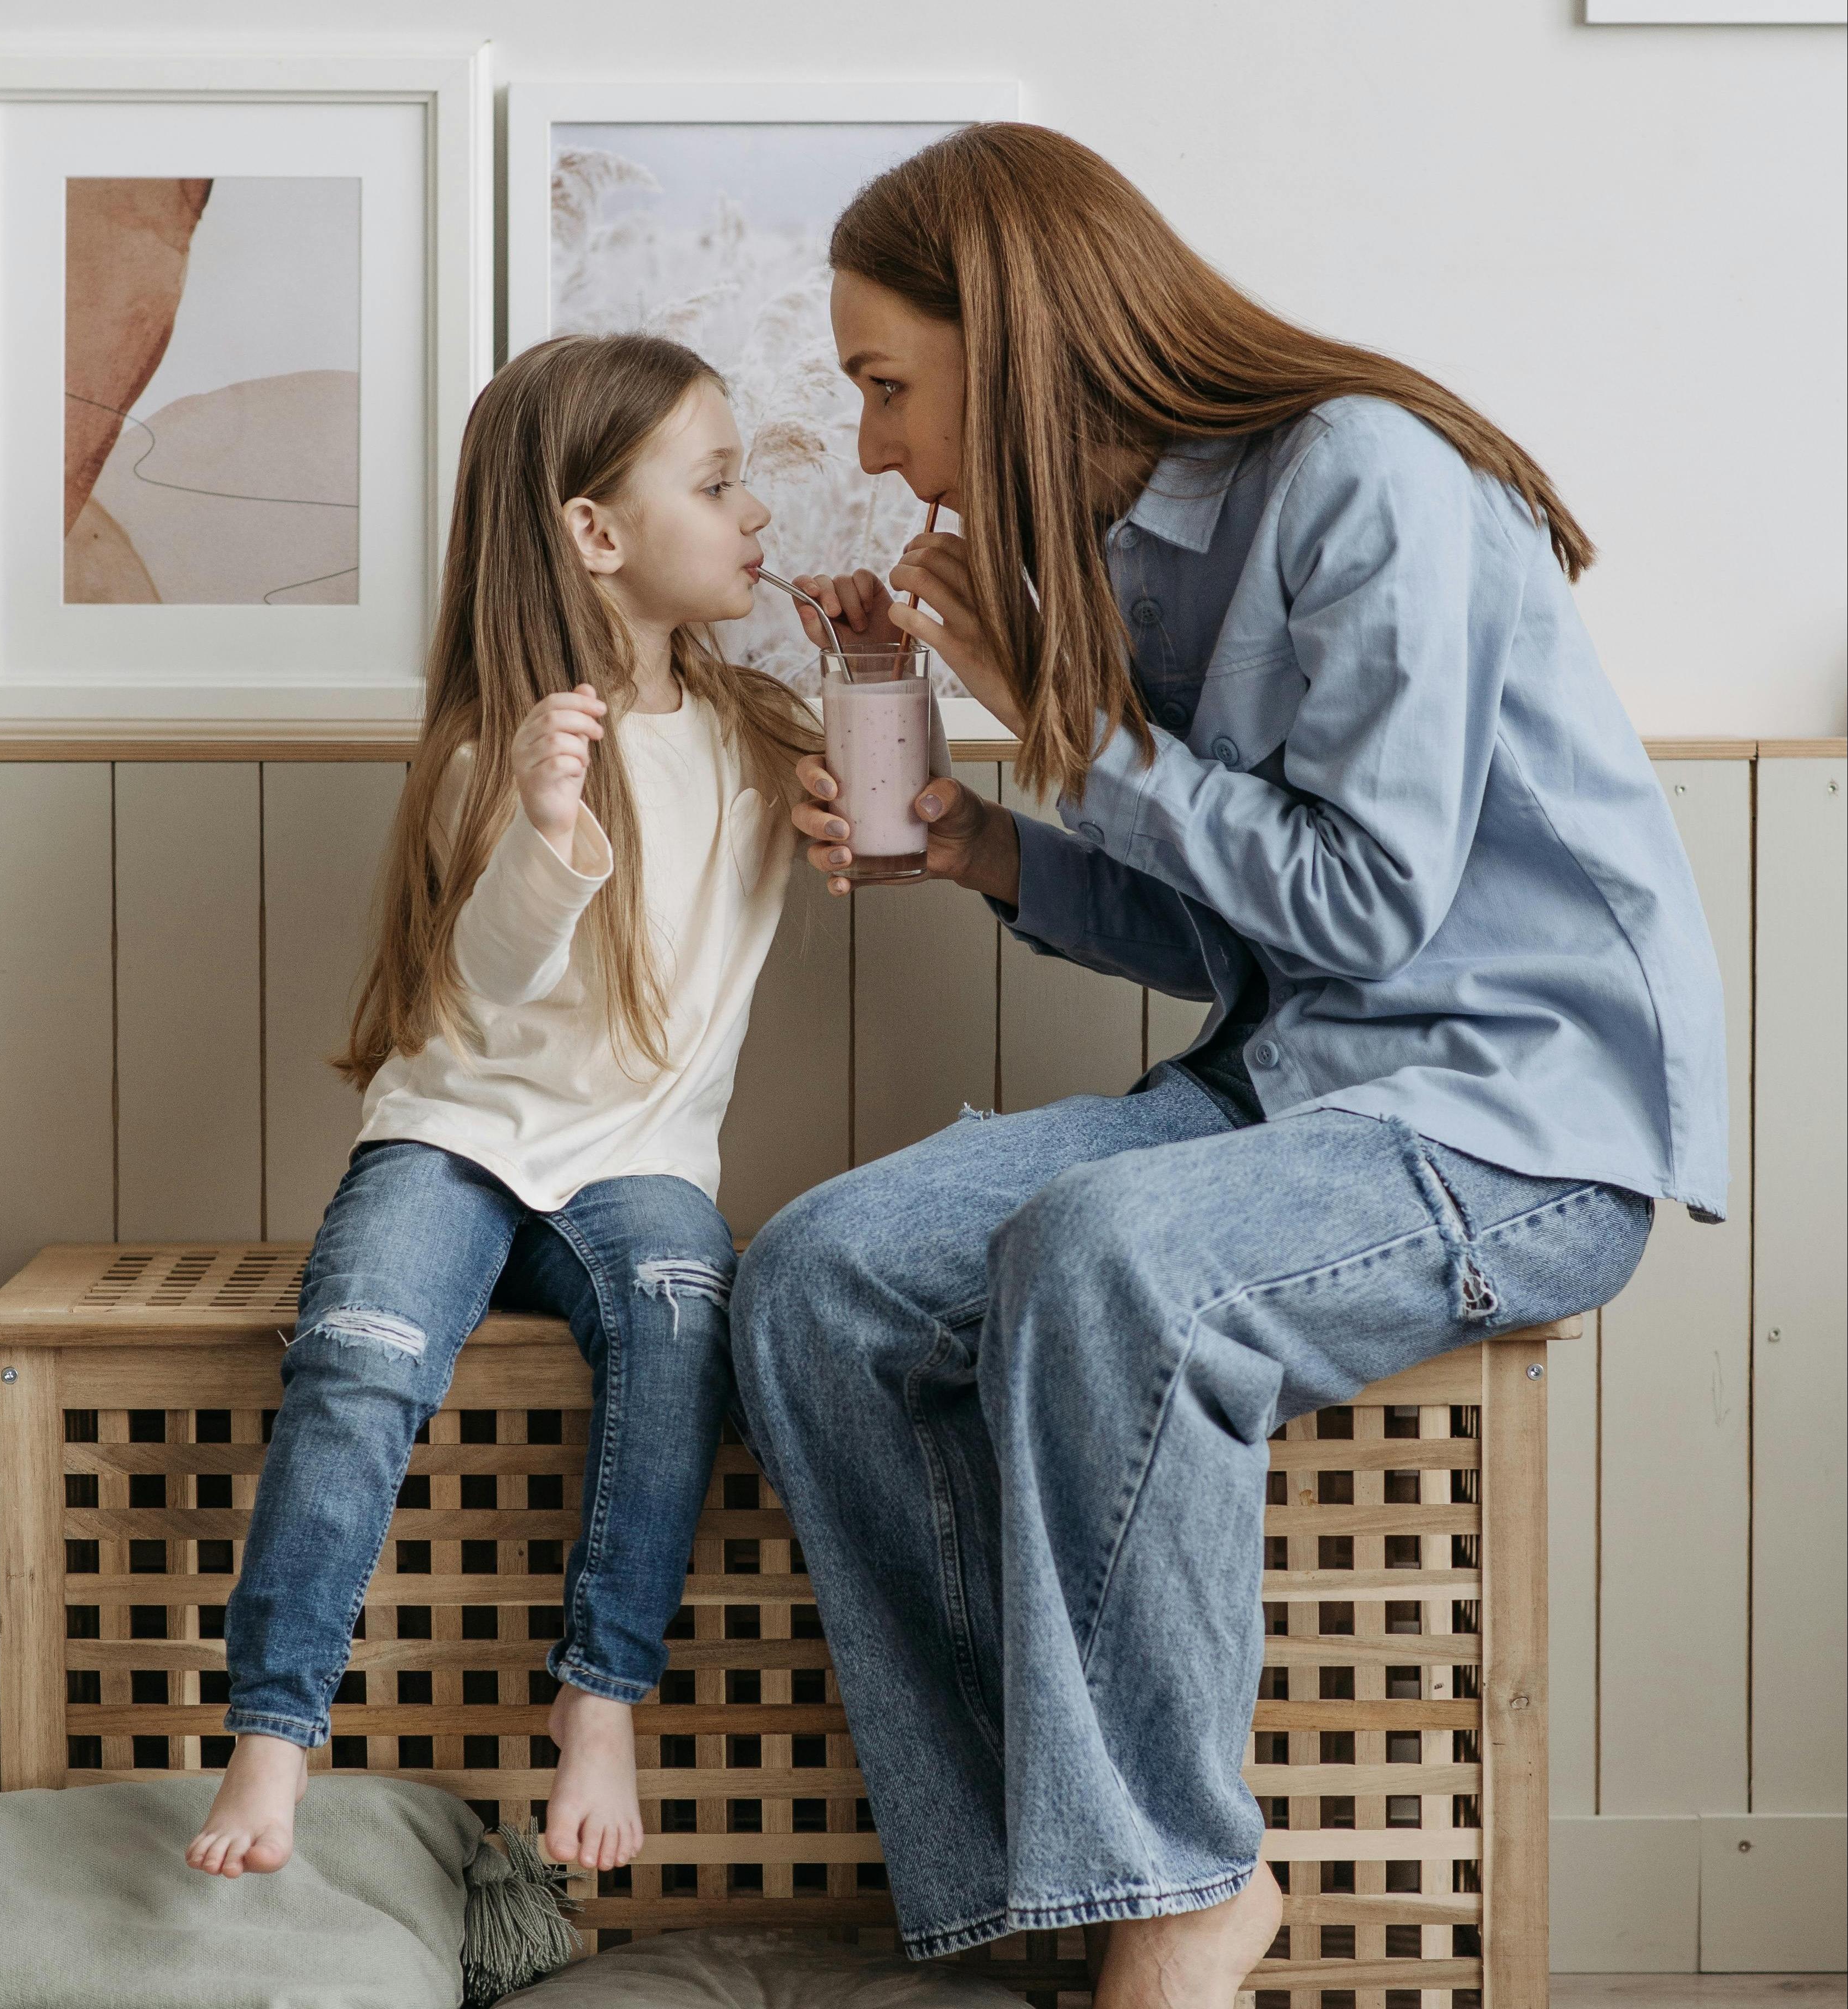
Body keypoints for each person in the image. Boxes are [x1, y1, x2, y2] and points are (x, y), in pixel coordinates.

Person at [735, 124, 1724, 2009]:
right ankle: (1036, 1907)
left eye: (885, 384)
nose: (870, 444)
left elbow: (1365, 903)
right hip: (1296, 1093)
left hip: (1514, 1123)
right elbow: (1240, 934)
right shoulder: (1127, 547)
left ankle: (1185, 1890)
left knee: (1110, 1251)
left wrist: (1059, 713)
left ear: (1011, 337)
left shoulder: (1366, 477)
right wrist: (981, 845)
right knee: (818, 1280)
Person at [186, 333, 816, 1881]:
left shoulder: (754, 735)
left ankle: (600, 1700)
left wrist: (876, 665)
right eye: (718, 485)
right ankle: (273, 1735)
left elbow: (884, 820)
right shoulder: (508, 747)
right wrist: (544, 821)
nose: (755, 514)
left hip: (639, 1162)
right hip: (456, 1140)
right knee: (359, 1354)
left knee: (680, 1316)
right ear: (595, 533)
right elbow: (495, 972)